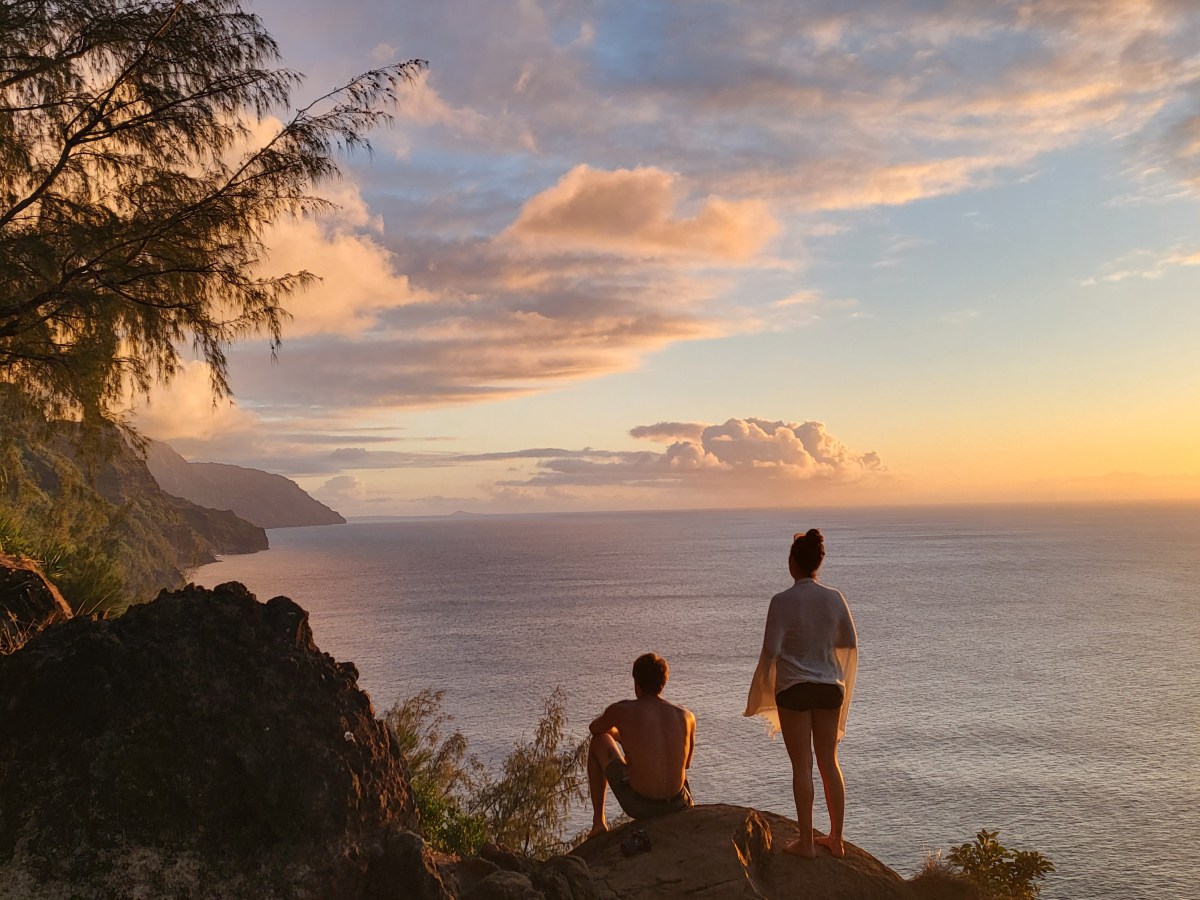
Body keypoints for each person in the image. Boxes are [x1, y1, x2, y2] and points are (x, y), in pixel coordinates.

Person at [744, 528, 858, 858]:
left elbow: (771, 649)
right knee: (828, 762)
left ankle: (807, 842)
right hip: (828, 689)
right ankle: (836, 840)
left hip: (794, 689)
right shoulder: (834, 598)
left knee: (802, 766)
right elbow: (848, 642)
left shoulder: (781, 601)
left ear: (793, 563)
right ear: (817, 564)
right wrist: (818, 648)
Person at [587, 652, 696, 837]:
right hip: (679, 803)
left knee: (598, 741)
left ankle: (599, 823)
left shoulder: (621, 711)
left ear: (636, 683)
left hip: (641, 806)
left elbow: (595, 729)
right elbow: (686, 764)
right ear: (663, 682)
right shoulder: (686, 716)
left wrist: (619, 735)